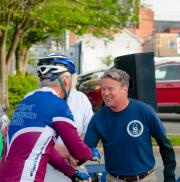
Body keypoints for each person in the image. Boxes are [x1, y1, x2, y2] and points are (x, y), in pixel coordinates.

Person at [0, 53, 99, 182]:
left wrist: (71, 172)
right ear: (65, 81)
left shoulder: (27, 100)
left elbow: (46, 148)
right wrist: (91, 153)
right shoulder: (57, 104)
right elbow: (78, 150)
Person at [84, 68, 176, 182]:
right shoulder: (98, 119)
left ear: (124, 89)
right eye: (103, 89)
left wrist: (169, 177)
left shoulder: (145, 111)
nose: (105, 93)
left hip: (146, 179)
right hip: (114, 179)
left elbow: (165, 146)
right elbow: (84, 150)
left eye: (110, 89)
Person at [43, 54, 94, 182]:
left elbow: (90, 131)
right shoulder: (40, 100)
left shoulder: (80, 98)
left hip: (76, 165)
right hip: (47, 169)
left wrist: (77, 152)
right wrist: (69, 152)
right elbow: (38, 140)